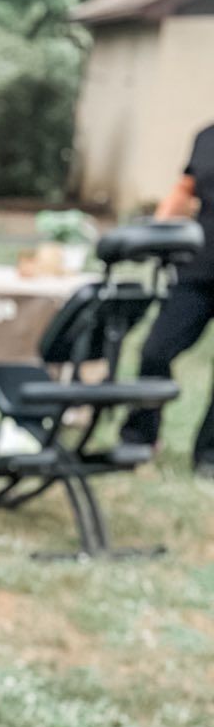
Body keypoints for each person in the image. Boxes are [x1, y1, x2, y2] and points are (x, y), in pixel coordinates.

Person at [119, 124, 214, 476]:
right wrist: (154, 230)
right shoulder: (206, 136)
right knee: (155, 350)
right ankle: (139, 438)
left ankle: (209, 457)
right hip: (198, 267)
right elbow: (185, 189)